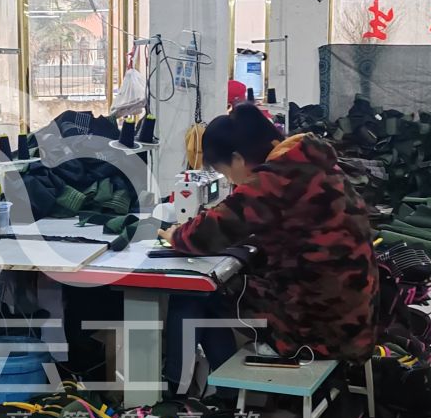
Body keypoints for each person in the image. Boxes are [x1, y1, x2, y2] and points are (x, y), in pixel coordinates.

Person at [159, 104, 377, 392]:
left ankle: (185, 391)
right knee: (223, 288)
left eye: (226, 173)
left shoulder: (273, 180)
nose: (231, 181)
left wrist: (175, 234)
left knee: (198, 295)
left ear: (237, 159)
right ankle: (220, 392)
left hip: (318, 327)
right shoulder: (313, 163)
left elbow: (204, 235)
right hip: (354, 318)